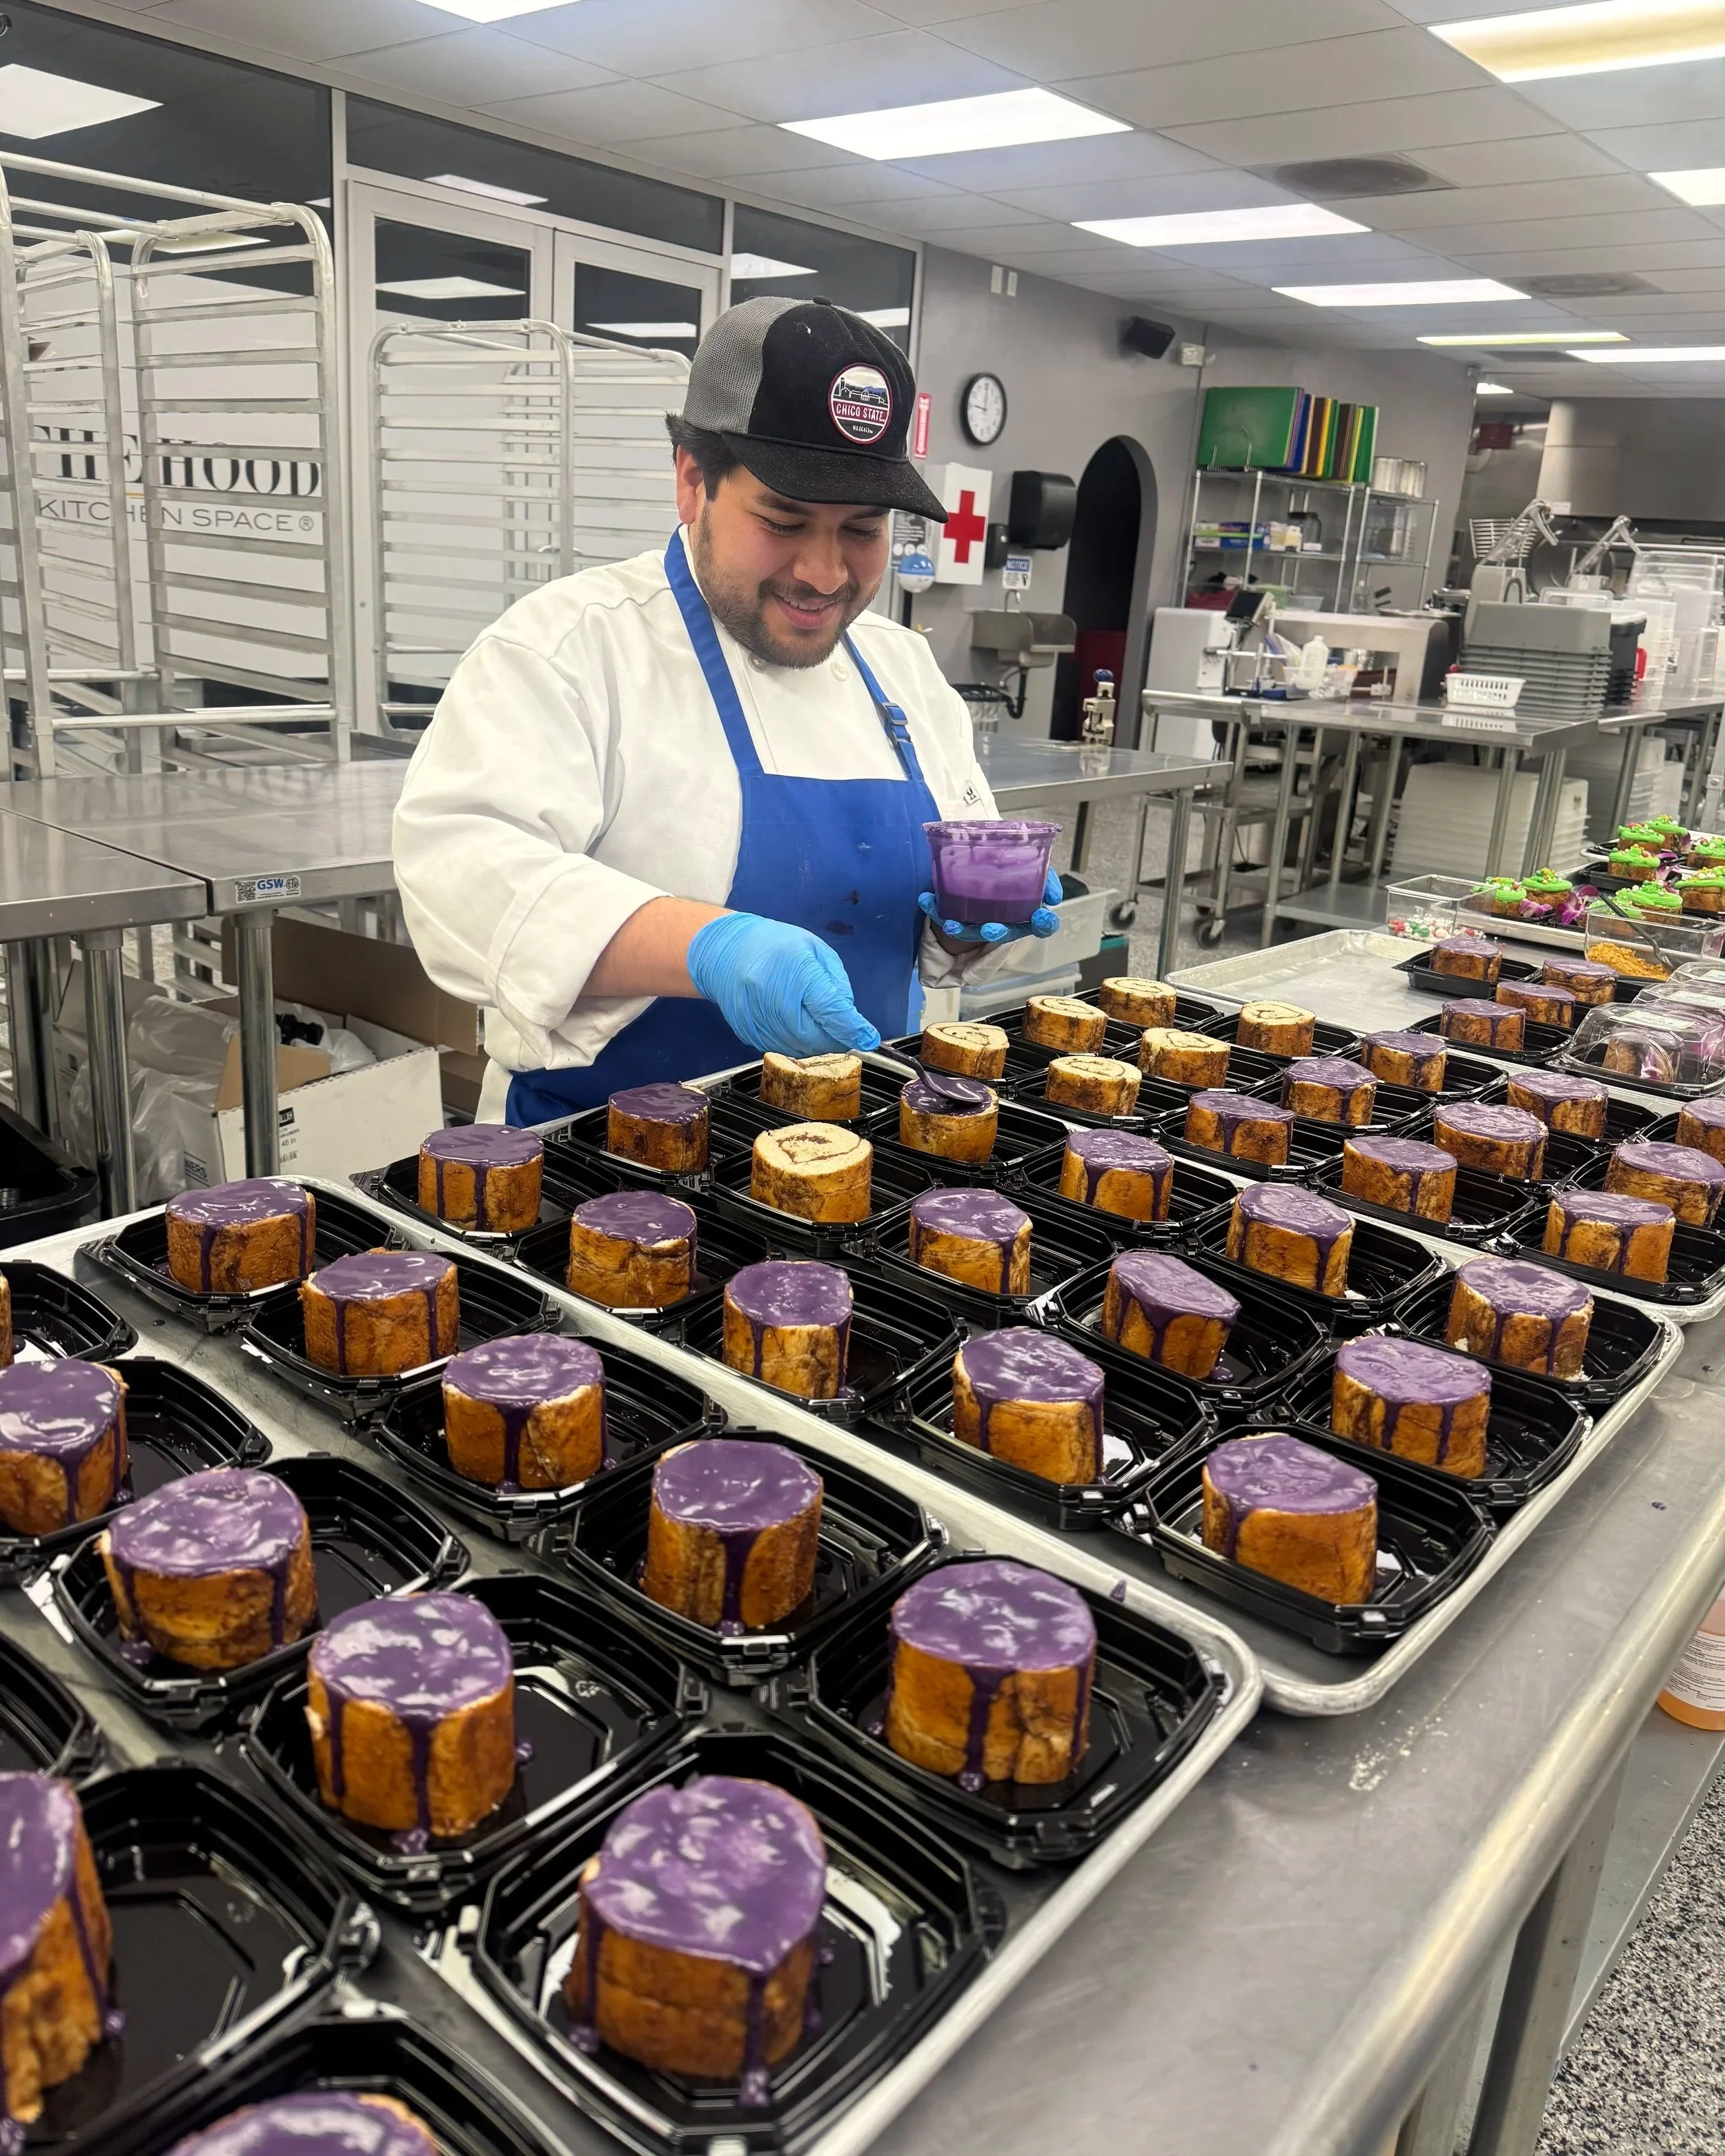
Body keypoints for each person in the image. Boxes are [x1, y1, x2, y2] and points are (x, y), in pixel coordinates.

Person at [392, 295, 1060, 1124]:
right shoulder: (566, 651)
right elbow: (461, 879)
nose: (823, 573)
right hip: (601, 1159)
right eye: (783, 522)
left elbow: (931, 934)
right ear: (690, 483)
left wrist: (965, 928)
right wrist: (706, 948)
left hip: (856, 1152)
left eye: (861, 530)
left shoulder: (903, 670)